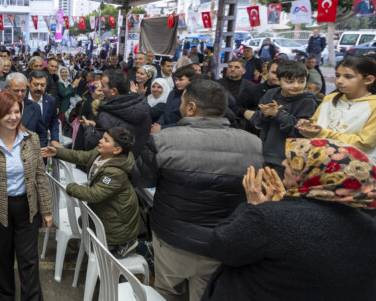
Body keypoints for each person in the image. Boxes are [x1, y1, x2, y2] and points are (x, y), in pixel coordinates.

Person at [134, 79, 264, 301]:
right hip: (221, 243)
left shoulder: (163, 140)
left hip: (172, 239)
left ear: (191, 107)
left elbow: (142, 179)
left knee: (167, 292)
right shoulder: (254, 144)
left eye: (182, 102)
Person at [202, 139, 376, 300]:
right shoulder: (369, 227)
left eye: (295, 162)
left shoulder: (267, 218)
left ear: (318, 174)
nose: (284, 163)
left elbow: (221, 246)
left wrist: (253, 207)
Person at [0, 91, 52, 300]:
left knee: (29, 260)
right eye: (7, 112)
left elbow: (40, 177)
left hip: (27, 207)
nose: (13, 117)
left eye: (17, 112)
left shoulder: (32, 139)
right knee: (0, 258)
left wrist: (46, 209)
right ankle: (3, 295)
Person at [41, 127, 139, 258]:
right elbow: (81, 156)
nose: (100, 141)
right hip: (106, 210)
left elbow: (94, 194)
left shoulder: (116, 172)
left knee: (103, 254)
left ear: (117, 150)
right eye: (102, 137)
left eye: (106, 140)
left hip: (118, 223)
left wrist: (71, 187)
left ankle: (124, 244)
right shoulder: (100, 154)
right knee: (85, 223)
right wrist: (58, 152)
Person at [297, 56, 376, 159]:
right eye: (338, 75)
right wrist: (308, 127)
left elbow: (364, 142)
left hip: (355, 166)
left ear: (368, 80)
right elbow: (317, 125)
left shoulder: (373, 105)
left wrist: (323, 133)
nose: (339, 81)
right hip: (321, 161)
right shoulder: (330, 98)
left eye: (348, 76)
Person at [249, 61, 317, 176]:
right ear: (279, 80)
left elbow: (299, 131)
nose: (296, 85)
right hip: (265, 153)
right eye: (289, 81)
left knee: (280, 191)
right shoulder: (271, 94)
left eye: (301, 81)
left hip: (289, 158)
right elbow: (256, 121)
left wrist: (278, 113)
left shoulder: (307, 101)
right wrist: (265, 114)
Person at [82, 69, 151, 157]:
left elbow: (93, 144)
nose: (101, 89)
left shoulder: (106, 115)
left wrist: (89, 128)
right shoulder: (143, 107)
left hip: (113, 164)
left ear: (114, 91)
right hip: (134, 161)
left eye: (103, 86)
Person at [4, 73, 48, 148]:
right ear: (6, 88)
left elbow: (42, 134)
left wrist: (37, 152)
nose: (20, 94)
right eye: (16, 91)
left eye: (23, 90)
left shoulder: (35, 108)